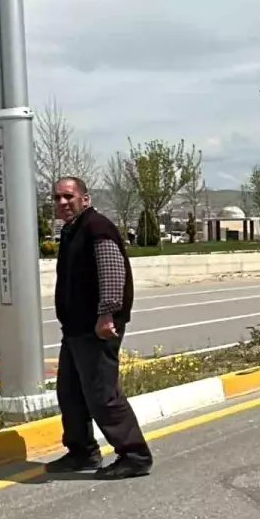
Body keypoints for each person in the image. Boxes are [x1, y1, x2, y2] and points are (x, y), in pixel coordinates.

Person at [47, 177, 153, 479]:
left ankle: (135, 455)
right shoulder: (72, 231)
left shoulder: (97, 227)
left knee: (102, 393)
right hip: (76, 328)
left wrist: (107, 315)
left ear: (85, 199)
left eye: (68, 196)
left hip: (97, 327)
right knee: (70, 392)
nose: (62, 202)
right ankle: (82, 452)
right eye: (57, 197)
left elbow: (112, 271)